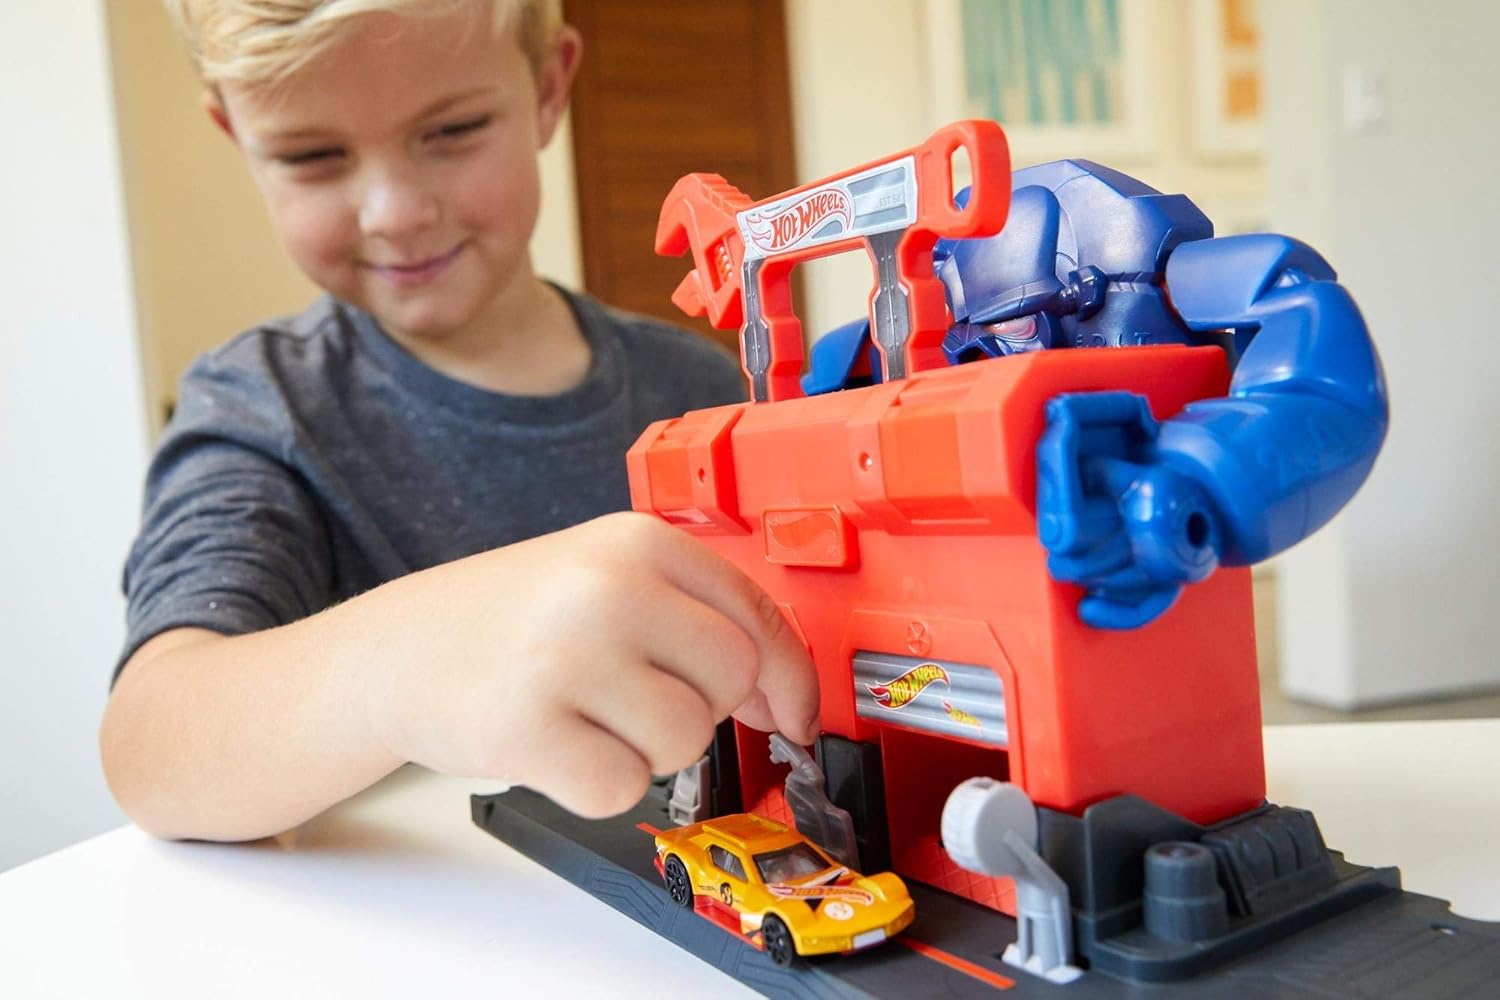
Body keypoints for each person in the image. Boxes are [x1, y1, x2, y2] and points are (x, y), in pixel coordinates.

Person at [100, 0, 819, 843]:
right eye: (313, 154)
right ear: (237, 136)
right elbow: (149, 743)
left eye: (453, 130)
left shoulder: (699, 382)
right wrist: (408, 660)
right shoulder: (260, 405)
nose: (396, 211)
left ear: (549, 88)